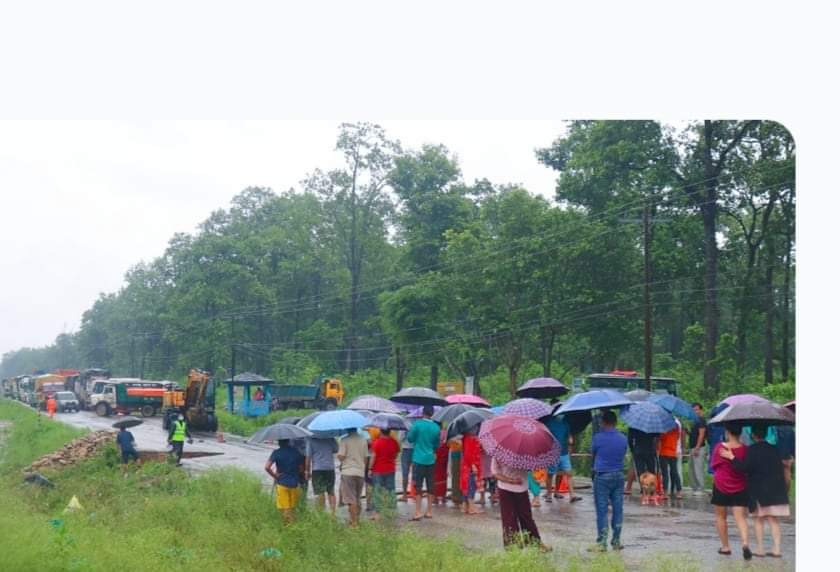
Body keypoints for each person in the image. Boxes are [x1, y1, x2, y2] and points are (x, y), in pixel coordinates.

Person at [720, 424, 789, 558]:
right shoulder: (775, 449)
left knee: (759, 520)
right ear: (766, 434)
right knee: (773, 520)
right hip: (776, 490)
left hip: (759, 491)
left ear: (753, 435)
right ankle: (777, 549)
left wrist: (732, 457)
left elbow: (743, 468)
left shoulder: (752, 450)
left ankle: (760, 549)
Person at [710, 423, 753, 560]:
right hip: (740, 486)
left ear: (727, 432)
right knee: (741, 518)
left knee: (721, 517)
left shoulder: (719, 447)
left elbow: (714, 466)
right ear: (741, 433)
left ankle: (725, 547)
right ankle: (745, 543)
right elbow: (746, 469)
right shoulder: (746, 449)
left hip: (721, 485)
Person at [492, 456, 549, 551]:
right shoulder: (524, 452)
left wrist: (510, 480)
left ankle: (516, 546)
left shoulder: (499, 451)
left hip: (514, 488)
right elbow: (531, 468)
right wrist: (512, 480)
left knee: (514, 518)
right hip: (513, 489)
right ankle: (529, 544)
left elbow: (495, 473)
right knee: (519, 518)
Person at [590, 410, 628, 551]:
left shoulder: (597, 438)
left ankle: (601, 543)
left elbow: (593, 454)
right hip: (618, 475)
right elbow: (623, 453)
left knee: (602, 510)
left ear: (603, 422)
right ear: (615, 422)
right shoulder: (623, 438)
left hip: (602, 476)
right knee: (618, 509)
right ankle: (616, 541)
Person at [406, 405, 440, 521]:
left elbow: (410, 438)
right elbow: (436, 444)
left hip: (418, 459)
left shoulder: (417, 424)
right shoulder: (436, 427)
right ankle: (429, 511)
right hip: (430, 459)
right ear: (432, 414)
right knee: (431, 484)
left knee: (418, 485)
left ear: (423, 413)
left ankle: (418, 511)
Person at [265, 438, 306, 523]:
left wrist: (275, 476)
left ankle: (289, 527)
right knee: (292, 507)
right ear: (288, 442)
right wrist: (293, 472)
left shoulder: (276, 452)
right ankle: (293, 525)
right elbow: (301, 469)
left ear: (279, 443)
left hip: (282, 483)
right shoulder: (297, 452)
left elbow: (267, 467)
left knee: (285, 508)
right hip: (295, 484)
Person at [543, 415, 582, 503]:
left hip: (564, 453)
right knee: (550, 474)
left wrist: (570, 445)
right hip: (553, 454)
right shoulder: (549, 423)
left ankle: (571, 495)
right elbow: (545, 437)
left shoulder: (565, 423)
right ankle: (549, 494)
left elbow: (569, 437)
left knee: (568, 473)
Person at [337, 428, 369, 527]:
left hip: (348, 472)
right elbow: (366, 457)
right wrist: (363, 469)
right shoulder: (363, 439)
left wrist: (339, 456)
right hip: (360, 472)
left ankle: (354, 523)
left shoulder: (344, 440)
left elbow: (341, 456)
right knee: (357, 497)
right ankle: (355, 520)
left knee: (351, 500)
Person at [369, 427, 400, 519]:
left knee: (377, 490)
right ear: (389, 431)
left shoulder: (376, 442)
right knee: (390, 490)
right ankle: (391, 511)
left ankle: (377, 513)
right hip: (390, 469)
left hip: (378, 469)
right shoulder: (394, 442)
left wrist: (370, 468)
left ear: (380, 431)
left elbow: (373, 456)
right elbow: (396, 454)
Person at [306, 435, 338, 515]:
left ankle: (321, 513)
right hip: (330, 468)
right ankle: (333, 514)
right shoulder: (330, 437)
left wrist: (307, 471)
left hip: (317, 469)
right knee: (331, 491)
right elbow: (336, 449)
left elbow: (308, 457)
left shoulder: (311, 440)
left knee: (320, 491)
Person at [628, 427, 658, 504]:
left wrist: (633, 449)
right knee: (652, 472)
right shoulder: (653, 424)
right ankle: (652, 493)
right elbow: (657, 436)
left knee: (641, 473)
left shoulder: (633, 426)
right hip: (650, 450)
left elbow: (630, 439)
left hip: (638, 450)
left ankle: (644, 492)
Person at [460, 428, 483, 514]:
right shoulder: (470, 438)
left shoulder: (466, 438)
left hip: (467, 466)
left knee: (467, 485)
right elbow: (468, 454)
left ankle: (466, 506)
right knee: (471, 485)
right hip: (471, 466)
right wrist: (473, 465)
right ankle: (471, 507)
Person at [658, 421, 682, 499]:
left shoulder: (663, 425)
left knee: (665, 473)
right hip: (673, 452)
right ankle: (679, 492)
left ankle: (665, 493)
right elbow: (678, 437)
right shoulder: (676, 426)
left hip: (664, 453)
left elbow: (661, 438)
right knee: (675, 472)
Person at [688, 403, 708, 495]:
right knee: (692, 468)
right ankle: (695, 487)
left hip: (699, 447)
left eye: (697, 409)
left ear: (701, 410)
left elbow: (702, 434)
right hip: (692, 447)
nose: (695, 411)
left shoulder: (702, 420)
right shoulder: (694, 421)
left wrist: (697, 447)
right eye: (694, 410)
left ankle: (701, 488)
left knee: (698, 468)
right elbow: (694, 435)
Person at [774, 425, 795, 492]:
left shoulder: (772, 427)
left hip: (774, 456)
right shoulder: (790, 429)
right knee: (786, 471)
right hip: (786, 457)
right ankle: (785, 495)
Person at [432, 429, 449, 505]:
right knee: (443, 480)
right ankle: (443, 498)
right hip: (444, 465)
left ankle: (435, 498)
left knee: (435, 480)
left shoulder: (435, 445)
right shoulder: (446, 445)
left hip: (436, 464)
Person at [399, 426, 414, 502]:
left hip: (406, 450)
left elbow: (400, 439)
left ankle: (405, 495)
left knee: (405, 474)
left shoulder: (404, 425)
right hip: (415, 450)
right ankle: (416, 493)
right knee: (416, 473)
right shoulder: (417, 424)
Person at [448, 434, 464, 509]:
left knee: (457, 476)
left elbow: (448, 442)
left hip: (457, 453)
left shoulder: (454, 431)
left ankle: (457, 499)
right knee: (457, 476)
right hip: (456, 452)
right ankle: (458, 498)